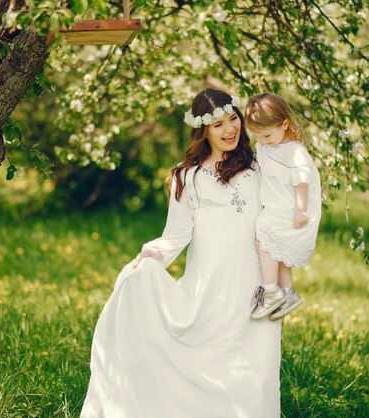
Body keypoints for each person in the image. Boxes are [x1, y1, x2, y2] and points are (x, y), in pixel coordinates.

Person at [80, 88, 282, 417]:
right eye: (218, 125)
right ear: (203, 130)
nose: (230, 129)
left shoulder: (260, 166)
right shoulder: (185, 177)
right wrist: (150, 256)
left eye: (233, 119)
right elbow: (175, 235)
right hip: (210, 292)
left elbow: (280, 219)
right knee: (208, 367)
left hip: (255, 288)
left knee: (255, 374)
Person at [244, 93, 321, 320]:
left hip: (288, 208)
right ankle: (287, 293)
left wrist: (301, 208)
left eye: (267, 134)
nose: (263, 140)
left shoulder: (294, 151)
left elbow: (302, 178)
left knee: (264, 239)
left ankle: (271, 291)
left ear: (285, 124)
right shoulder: (267, 145)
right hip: (274, 204)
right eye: (257, 136)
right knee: (277, 250)